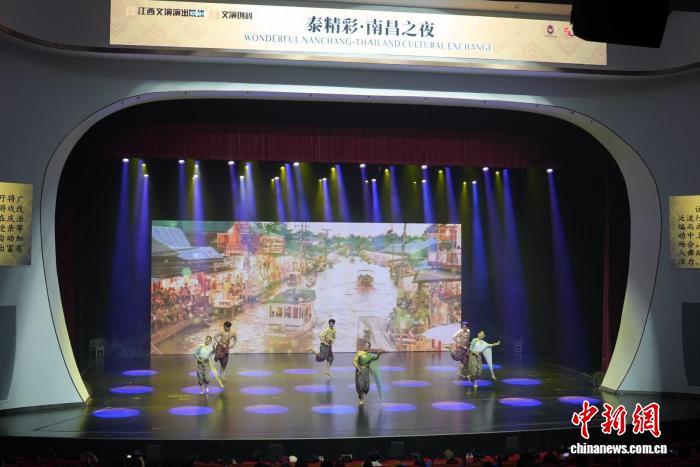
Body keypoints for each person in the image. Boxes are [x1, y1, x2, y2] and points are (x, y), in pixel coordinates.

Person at [353, 339, 382, 405]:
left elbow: (376, 358)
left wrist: (378, 354)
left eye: (367, 346)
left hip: (366, 371)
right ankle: (361, 399)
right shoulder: (359, 353)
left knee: (365, 386)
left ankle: (362, 398)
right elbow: (354, 361)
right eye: (365, 345)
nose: (365, 346)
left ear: (369, 347)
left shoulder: (370, 355)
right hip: (359, 370)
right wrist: (358, 368)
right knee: (360, 385)